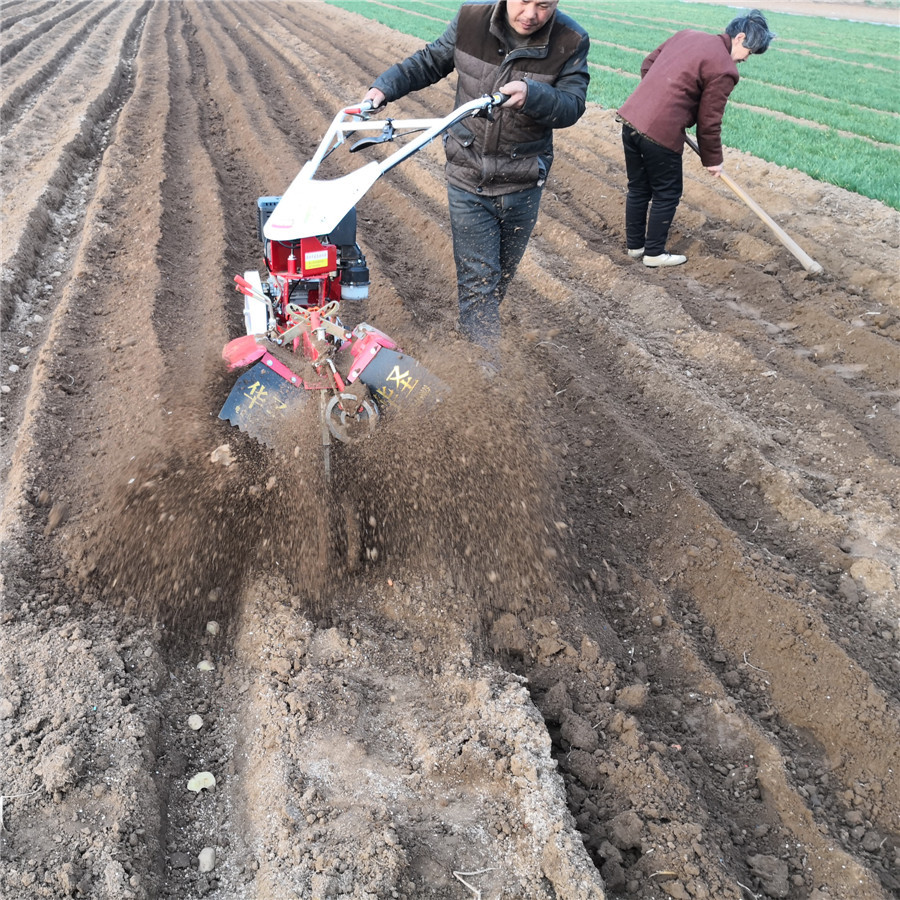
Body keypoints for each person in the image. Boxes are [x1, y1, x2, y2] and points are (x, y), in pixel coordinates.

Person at [363, 0, 589, 367]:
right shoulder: (471, 20)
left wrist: (532, 94)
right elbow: (430, 61)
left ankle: (474, 344)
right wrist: (384, 87)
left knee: (496, 282)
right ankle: (483, 374)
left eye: (544, 5)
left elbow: (572, 105)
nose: (531, 14)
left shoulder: (571, 40)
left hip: (522, 180)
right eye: (524, 1)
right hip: (468, 176)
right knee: (480, 283)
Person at [617, 10, 776, 268]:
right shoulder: (725, 69)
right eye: (750, 51)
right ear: (740, 38)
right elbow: (709, 120)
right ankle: (654, 253)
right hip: (660, 133)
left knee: (639, 187)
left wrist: (658, 100)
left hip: (631, 120)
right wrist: (713, 159)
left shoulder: (687, 35)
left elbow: (648, 64)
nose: (746, 59)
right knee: (667, 192)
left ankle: (636, 247)